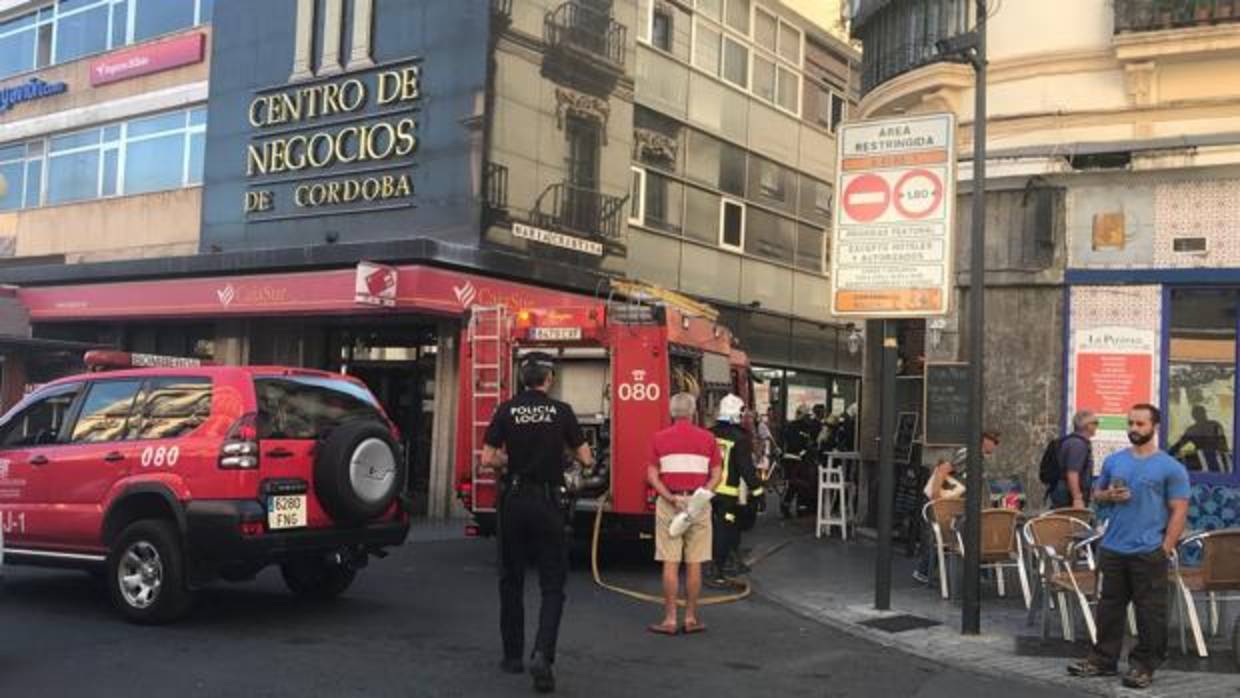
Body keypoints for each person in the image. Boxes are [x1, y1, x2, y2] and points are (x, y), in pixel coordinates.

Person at [482, 352, 593, 694]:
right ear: (549, 379)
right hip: (548, 504)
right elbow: (586, 458)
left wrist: (511, 457)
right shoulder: (561, 411)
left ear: (522, 378)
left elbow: (488, 459)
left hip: (513, 501)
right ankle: (542, 654)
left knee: (511, 580)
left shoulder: (507, 409)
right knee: (552, 586)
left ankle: (512, 657)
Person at [1068, 404, 1190, 690]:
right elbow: (1097, 496)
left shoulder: (1171, 468)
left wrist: (1165, 547)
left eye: (1140, 424)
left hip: (1148, 550)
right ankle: (1102, 660)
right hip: (1113, 547)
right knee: (1109, 608)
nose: (1134, 429)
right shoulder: (1114, 461)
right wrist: (1108, 494)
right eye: (1131, 423)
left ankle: (1143, 666)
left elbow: (1179, 510)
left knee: (1150, 612)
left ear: (1154, 427)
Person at [646, 393, 723, 636]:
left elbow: (651, 475)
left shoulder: (658, 438)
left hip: (670, 504)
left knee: (670, 562)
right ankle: (690, 618)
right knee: (694, 563)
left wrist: (670, 498)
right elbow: (717, 475)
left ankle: (669, 620)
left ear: (672, 412)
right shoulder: (708, 438)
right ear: (692, 412)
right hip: (698, 507)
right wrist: (699, 498)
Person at [912, 430, 1000, 585]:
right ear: (985, 440)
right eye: (995, 442)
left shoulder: (977, 456)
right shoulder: (968, 453)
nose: (996, 446)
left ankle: (926, 571)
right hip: (948, 501)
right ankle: (924, 571)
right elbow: (943, 469)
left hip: (958, 502)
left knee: (956, 534)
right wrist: (936, 497)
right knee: (947, 535)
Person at [708, 394, 764, 587]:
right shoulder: (740, 438)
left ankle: (716, 562)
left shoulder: (708, 433)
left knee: (712, 529)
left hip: (706, 492)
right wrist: (758, 493)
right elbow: (746, 470)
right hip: (727, 495)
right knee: (726, 529)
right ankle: (717, 571)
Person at [1049, 410, 1099, 509]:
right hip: (1068, 499)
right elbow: (1072, 473)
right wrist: (1077, 499)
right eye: (1095, 423)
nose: (1097, 427)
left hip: (1065, 495)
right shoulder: (1077, 445)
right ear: (1087, 425)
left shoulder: (1074, 442)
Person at [779, 404, 818, 517]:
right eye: (806, 416)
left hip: (795, 459)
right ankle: (796, 507)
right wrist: (806, 448)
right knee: (798, 483)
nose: (808, 418)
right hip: (794, 459)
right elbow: (797, 443)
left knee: (795, 484)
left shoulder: (795, 426)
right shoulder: (796, 427)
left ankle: (792, 507)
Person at [1169, 404, 1230, 473]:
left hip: (1213, 460)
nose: (1200, 416)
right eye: (1198, 414)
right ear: (1194, 417)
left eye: (1201, 413)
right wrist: (1169, 453)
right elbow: (1179, 444)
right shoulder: (1193, 429)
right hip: (1203, 461)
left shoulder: (1214, 425)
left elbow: (1223, 443)